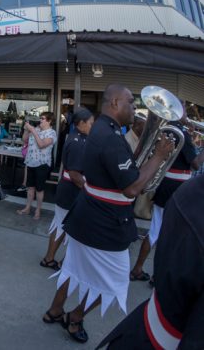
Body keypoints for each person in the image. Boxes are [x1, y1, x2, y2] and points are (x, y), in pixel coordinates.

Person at [42, 84, 173, 343]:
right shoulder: (110, 136)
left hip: (87, 217)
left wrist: (144, 156)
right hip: (105, 223)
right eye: (131, 103)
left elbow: (123, 169)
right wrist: (158, 156)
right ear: (115, 103)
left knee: (73, 268)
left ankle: (55, 310)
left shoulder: (104, 130)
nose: (136, 108)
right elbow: (132, 188)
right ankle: (75, 317)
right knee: (115, 282)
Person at [97, 174, 204, 349]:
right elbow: (132, 189)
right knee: (112, 282)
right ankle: (137, 268)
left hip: (143, 329)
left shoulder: (193, 188)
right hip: (156, 337)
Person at [129, 103, 203, 283]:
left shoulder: (170, 130)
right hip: (177, 189)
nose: (187, 113)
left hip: (166, 186)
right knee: (167, 233)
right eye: (184, 109)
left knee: (156, 230)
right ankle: (155, 274)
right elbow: (195, 164)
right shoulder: (181, 133)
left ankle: (139, 269)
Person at [40, 108, 94, 271]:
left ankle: (51, 259)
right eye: (91, 123)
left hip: (67, 191)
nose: (93, 125)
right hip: (71, 192)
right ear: (81, 123)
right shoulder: (78, 142)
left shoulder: (78, 138)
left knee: (60, 225)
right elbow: (75, 175)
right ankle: (58, 261)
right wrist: (90, 192)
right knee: (66, 227)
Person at [17, 112, 57, 220]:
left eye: (43, 118)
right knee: (30, 188)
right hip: (30, 162)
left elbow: (41, 145)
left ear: (49, 121)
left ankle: (38, 210)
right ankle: (28, 207)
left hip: (42, 164)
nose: (40, 120)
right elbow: (24, 140)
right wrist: (26, 129)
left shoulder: (52, 133)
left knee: (39, 189)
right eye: (40, 118)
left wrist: (33, 130)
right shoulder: (37, 129)